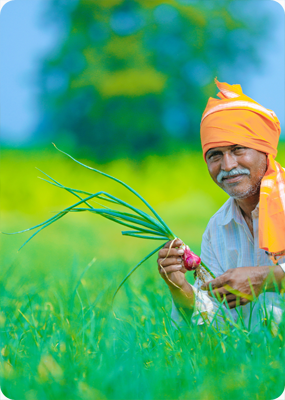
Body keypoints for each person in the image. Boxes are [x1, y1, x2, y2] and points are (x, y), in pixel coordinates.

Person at [157, 79, 285, 330]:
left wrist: (267, 278)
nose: (227, 166)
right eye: (215, 155)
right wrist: (179, 287)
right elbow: (217, 320)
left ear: (265, 150)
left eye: (238, 149)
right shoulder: (218, 228)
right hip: (254, 363)